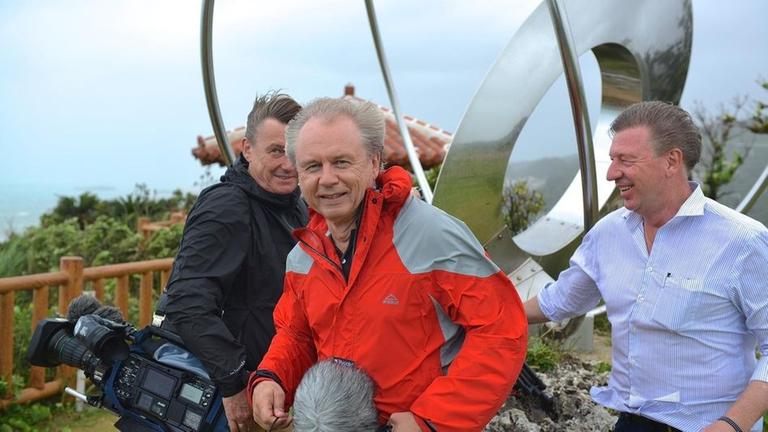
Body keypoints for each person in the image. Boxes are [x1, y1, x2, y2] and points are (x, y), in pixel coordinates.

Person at [248, 97, 527, 432]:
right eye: (312, 166)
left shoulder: (430, 235)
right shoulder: (304, 254)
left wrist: (432, 419)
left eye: (341, 162)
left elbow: (501, 329)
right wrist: (272, 377)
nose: (327, 179)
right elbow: (296, 333)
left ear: (374, 162)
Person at [524, 101, 768, 432]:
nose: (612, 173)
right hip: (631, 423)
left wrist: (732, 424)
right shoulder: (608, 234)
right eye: (612, 160)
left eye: (625, 160)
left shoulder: (744, 241)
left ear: (672, 161)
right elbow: (560, 300)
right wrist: (479, 313)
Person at [160, 92, 307, 432]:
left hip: (277, 380)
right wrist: (233, 382)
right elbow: (188, 300)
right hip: (235, 386)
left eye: (295, 152)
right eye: (276, 150)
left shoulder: (294, 204)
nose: (288, 164)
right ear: (248, 149)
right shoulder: (227, 206)